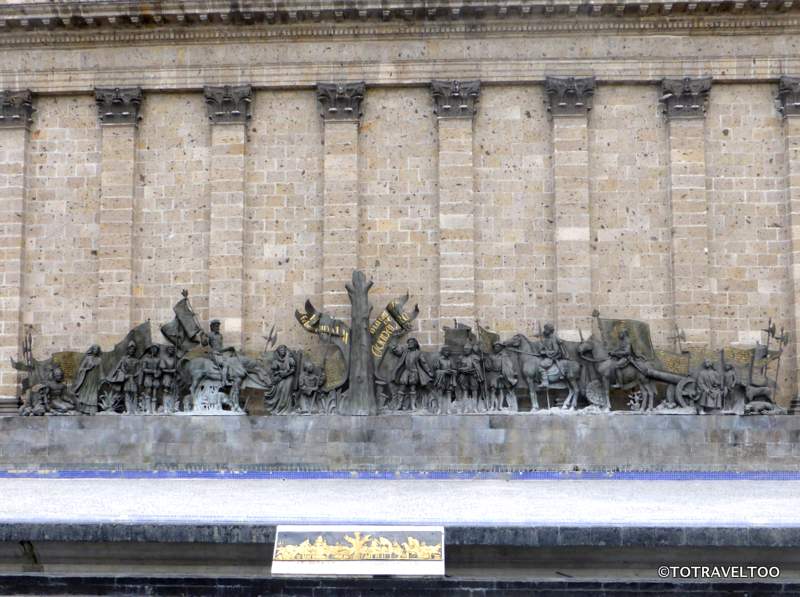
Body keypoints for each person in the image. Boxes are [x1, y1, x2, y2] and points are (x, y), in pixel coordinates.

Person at [391, 338, 433, 412]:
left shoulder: (418, 353)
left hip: (414, 372)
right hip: (406, 371)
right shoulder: (405, 352)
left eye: (410, 343)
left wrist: (429, 372)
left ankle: (413, 405)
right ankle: (399, 405)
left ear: (415, 344)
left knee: (412, 389)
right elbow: (397, 352)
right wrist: (394, 347)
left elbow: (424, 363)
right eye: (408, 343)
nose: (409, 344)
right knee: (402, 387)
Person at [106, 341, 141, 414]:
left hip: (133, 379)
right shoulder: (124, 359)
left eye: (133, 350)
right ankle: (128, 410)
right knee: (127, 394)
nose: (132, 351)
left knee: (134, 394)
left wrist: (134, 375)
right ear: (128, 350)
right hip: (126, 379)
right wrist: (123, 375)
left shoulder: (136, 360)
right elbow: (118, 368)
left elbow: (139, 370)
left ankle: (134, 409)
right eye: (130, 349)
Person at [264, 345, 296, 415]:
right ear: (278, 352)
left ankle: (287, 409)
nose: (283, 351)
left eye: (284, 350)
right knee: (279, 388)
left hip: (289, 376)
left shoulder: (290, 359)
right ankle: (278, 408)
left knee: (286, 389)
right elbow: (273, 371)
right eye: (281, 350)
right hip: (280, 377)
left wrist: (286, 374)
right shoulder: (276, 361)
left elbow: (293, 369)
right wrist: (279, 373)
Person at [486, 342, 518, 412]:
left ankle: (499, 406)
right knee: (493, 390)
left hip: (501, 374)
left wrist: (505, 373)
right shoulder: (491, 356)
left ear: (501, 348)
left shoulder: (504, 356)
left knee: (500, 390)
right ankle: (492, 406)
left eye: (498, 347)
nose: (496, 348)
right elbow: (487, 367)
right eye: (495, 347)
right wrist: (486, 363)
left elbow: (509, 366)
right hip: (493, 374)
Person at [72, 344, 103, 415]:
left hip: (95, 380)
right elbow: (81, 369)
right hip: (87, 378)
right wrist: (87, 369)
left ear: (98, 351)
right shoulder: (87, 358)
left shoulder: (99, 360)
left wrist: (102, 379)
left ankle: (92, 410)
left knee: (93, 394)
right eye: (94, 349)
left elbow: (101, 371)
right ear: (92, 350)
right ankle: (83, 409)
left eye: (97, 349)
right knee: (86, 394)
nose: (95, 350)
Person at [458, 342, 484, 413]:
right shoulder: (461, 358)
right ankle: (466, 407)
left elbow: (477, 368)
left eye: (467, 349)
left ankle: (474, 407)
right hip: (464, 376)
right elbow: (458, 368)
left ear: (470, 350)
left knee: (474, 391)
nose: (465, 350)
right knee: (465, 391)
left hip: (473, 376)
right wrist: (463, 369)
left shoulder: (475, 357)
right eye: (464, 349)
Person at [433, 346, 458, 414]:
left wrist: (452, 371)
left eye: (448, 351)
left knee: (449, 394)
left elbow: (455, 370)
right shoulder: (439, 360)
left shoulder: (451, 360)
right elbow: (436, 371)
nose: (447, 352)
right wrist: (444, 371)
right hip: (441, 379)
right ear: (443, 352)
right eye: (446, 351)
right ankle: (439, 409)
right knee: (440, 393)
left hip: (449, 379)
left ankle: (448, 409)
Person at [140, 345, 162, 414]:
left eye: (156, 349)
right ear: (150, 349)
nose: (154, 350)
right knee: (148, 392)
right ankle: (148, 409)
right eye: (153, 348)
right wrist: (152, 371)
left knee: (155, 393)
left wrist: (158, 373)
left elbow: (160, 369)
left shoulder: (158, 359)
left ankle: (154, 409)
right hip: (148, 377)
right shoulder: (146, 359)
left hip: (155, 378)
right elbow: (143, 369)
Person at [159, 345, 179, 413]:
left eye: (172, 349)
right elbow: (162, 370)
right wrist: (171, 371)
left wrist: (175, 371)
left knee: (173, 392)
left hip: (173, 377)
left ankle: (171, 407)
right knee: (166, 392)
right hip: (166, 377)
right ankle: (165, 407)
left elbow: (177, 368)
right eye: (170, 349)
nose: (171, 350)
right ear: (167, 350)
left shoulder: (175, 359)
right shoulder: (164, 358)